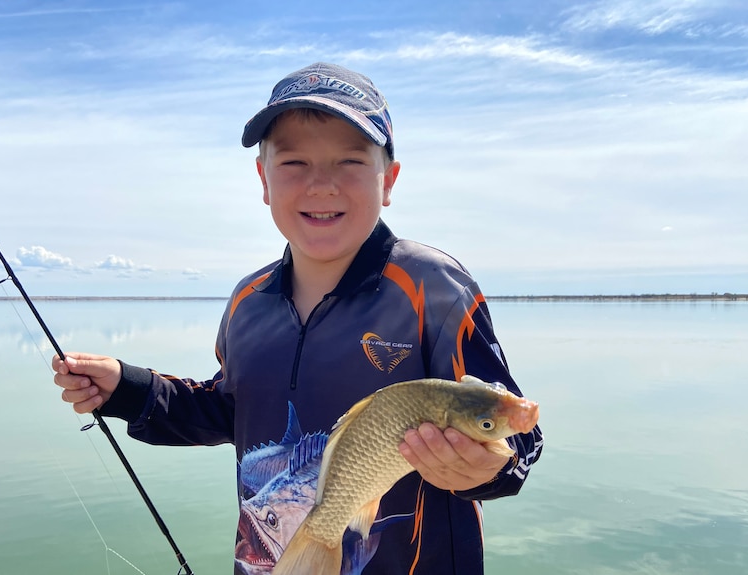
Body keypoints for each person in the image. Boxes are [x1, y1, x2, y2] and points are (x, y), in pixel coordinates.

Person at [53, 62, 543, 574]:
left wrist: (485, 470)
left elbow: (517, 433)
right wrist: (127, 390)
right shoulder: (248, 299)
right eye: (294, 164)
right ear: (264, 179)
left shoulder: (434, 287)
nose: (321, 185)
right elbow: (230, 409)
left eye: (351, 161)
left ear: (388, 179)